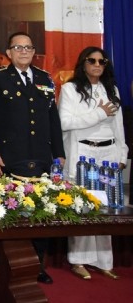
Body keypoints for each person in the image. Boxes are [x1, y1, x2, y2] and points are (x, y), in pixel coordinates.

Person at [0, 32, 64, 284]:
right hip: (10, 155)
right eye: (18, 47)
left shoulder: (44, 78)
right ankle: (8, 264)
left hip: (40, 154)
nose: (23, 52)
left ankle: (38, 265)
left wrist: (59, 153)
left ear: (33, 52)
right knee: (11, 211)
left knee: (40, 211)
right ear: (9, 53)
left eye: (28, 48)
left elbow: (53, 118)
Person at [58, 46, 127, 281]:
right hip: (83, 153)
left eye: (102, 61)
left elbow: (118, 126)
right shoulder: (70, 89)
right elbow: (65, 122)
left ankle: (104, 262)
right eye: (92, 60)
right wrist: (99, 113)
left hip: (108, 153)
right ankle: (78, 260)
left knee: (106, 207)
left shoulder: (112, 89)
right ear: (83, 63)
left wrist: (122, 154)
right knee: (83, 206)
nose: (97, 65)